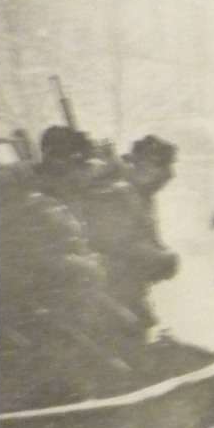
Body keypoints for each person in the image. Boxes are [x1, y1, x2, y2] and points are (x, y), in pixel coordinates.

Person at [0, 128, 140, 409]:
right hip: (46, 328)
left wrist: (116, 310)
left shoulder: (58, 201)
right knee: (83, 390)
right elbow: (34, 266)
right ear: (63, 166)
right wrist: (87, 266)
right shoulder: (36, 207)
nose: (89, 174)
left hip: (71, 321)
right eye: (83, 166)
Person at [72, 133, 179, 339]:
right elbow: (114, 243)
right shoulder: (115, 192)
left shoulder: (137, 192)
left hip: (129, 291)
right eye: (165, 167)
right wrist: (161, 258)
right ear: (146, 165)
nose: (170, 175)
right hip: (110, 294)